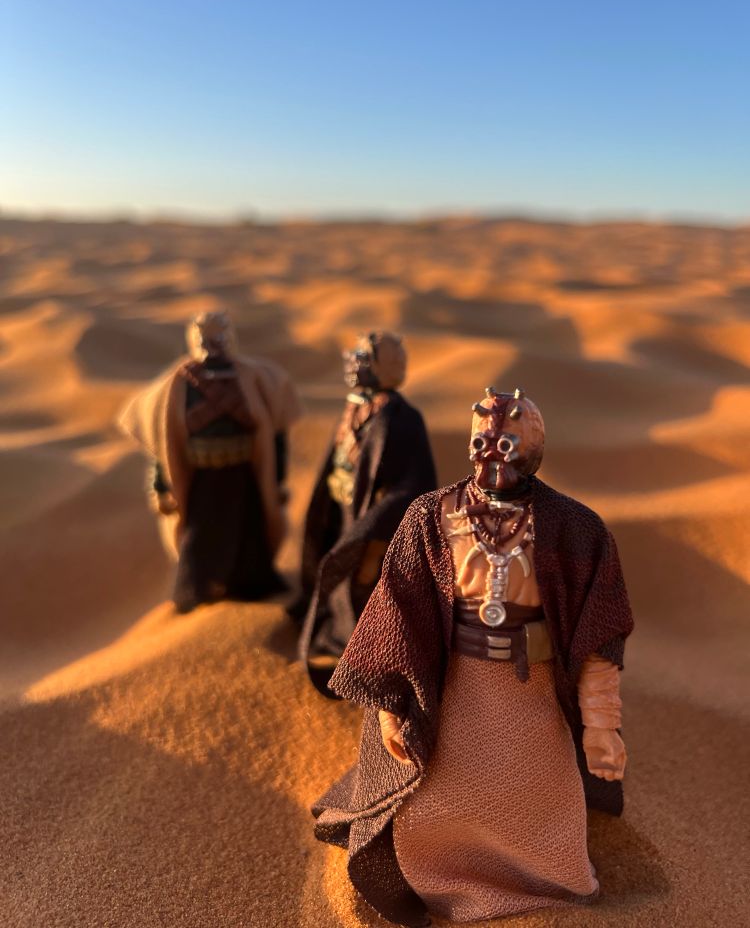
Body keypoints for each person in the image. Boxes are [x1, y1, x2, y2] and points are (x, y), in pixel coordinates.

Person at [312, 386, 634, 927]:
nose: (491, 454)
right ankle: (445, 884)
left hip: (533, 693)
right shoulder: (428, 519)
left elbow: (599, 639)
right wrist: (393, 709)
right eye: (481, 441)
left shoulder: (576, 530)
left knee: (545, 817)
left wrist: (602, 725)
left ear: (531, 451)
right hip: (458, 689)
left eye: (506, 443)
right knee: (433, 806)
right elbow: (396, 614)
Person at [118, 311, 302, 612]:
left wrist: (277, 479)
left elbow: (275, 437)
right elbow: (161, 446)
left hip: (242, 474)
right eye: (205, 339)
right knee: (200, 542)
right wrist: (161, 487)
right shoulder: (176, 387)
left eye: (218, 338)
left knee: (248, 538)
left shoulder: (255, 378)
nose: (211, 346)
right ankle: (198, 590)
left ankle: (251, 586)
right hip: (203, 479)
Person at [296, 331, 437, 693]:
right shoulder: (355, 407)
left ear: (380, 366)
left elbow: (413, 485)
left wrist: (374, 530)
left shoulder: (403, 418)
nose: (353, 365)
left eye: (362, 359)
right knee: (341, 579)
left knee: (366, 583)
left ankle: (370, 657)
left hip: (375, 526)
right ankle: (341, 639)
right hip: (345, 511)